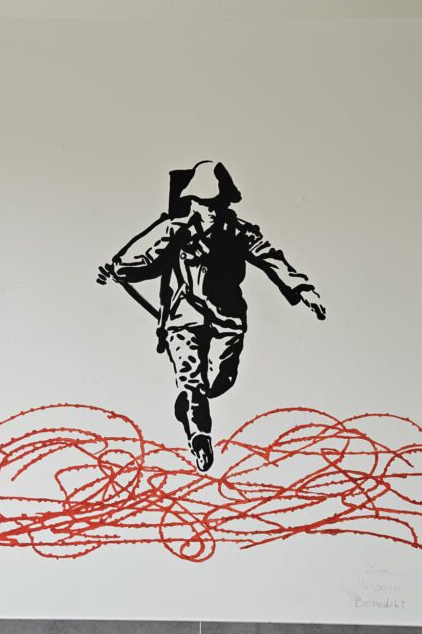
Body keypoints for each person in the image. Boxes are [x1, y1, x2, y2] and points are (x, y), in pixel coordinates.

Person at [96, 160, 325, 471]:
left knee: (219, 383)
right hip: (184, 318)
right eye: (206, 203)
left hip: (227, 320)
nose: (213, 209)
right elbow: (146, 259)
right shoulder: (175, 230)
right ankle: (199, 435)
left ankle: (189, 406)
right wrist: (117, 269)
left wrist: (303, 290)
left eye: (219, 202)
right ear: (193, 201)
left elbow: (271, 258)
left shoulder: (240, 232)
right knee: (191, 381)